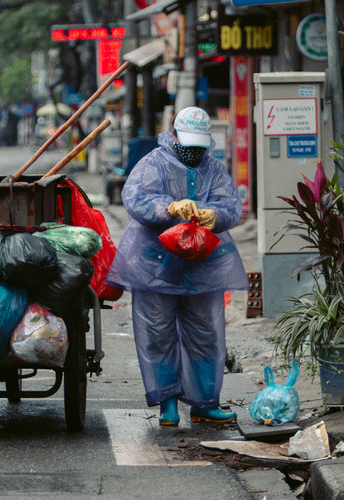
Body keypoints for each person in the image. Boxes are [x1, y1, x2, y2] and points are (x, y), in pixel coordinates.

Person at [105, 106, 249, 426]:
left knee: (207, 333)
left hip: (203, 265)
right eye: (188, 143)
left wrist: (216, 215)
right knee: (157, 333)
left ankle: (204, 402)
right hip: (156, 265)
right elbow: (135, 199)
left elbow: (230, 206)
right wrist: (167, 206)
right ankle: (166, 401)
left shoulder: (214, 169)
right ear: (173, 135)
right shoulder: (152, 164)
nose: (193, 150)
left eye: (199, 144)